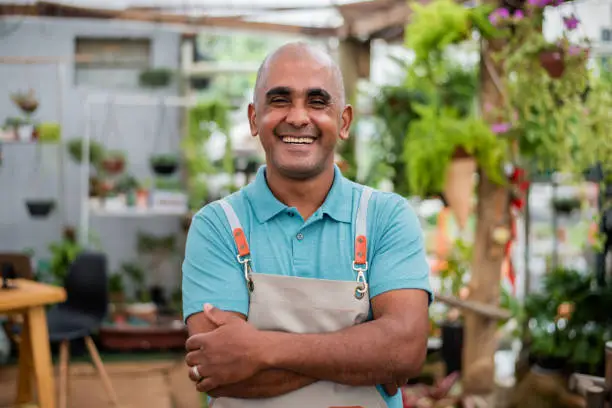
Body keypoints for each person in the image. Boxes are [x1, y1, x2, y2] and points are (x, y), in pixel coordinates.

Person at [182, 42, 433, 408]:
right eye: (280, 100)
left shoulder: (385, 218)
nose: (298, 117)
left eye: (317, 102)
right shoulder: (217, 226)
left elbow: (406, 350)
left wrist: (260, 348)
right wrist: (367, 354)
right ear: (254, 118)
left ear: (344, 121)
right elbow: (217, 372)